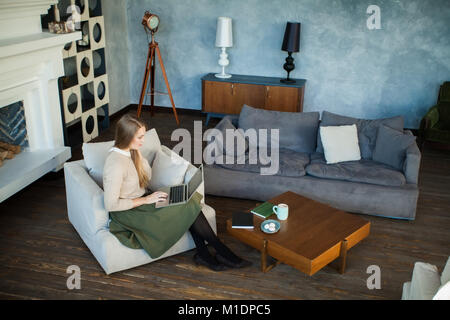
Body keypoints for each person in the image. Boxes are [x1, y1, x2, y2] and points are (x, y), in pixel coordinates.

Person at [103, 114, 251, 271]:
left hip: (143, 200)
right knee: (187, 203)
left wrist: (137, 153)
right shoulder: (115, 164)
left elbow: (146, 177)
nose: (143, 141)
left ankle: (206, 253)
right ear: (127, 137)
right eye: (139, 137)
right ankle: (219, 251)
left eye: (143, 136)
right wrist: (146, 200)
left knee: (187, 197)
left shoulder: (131, 152)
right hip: (130, 214)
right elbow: (111, 205)